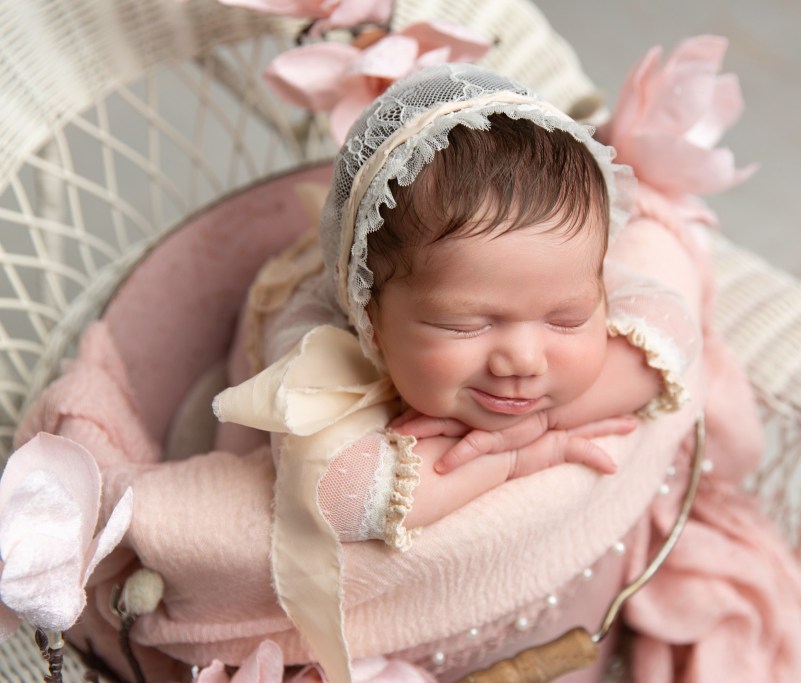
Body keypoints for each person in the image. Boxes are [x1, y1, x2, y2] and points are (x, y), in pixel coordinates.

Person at [211, 63, 701, 681]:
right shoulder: (315, 340)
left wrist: (535, 425)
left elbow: (673, 330)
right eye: (467, 327)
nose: (522, 361)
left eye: (567, 320)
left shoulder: (548, 261)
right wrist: (516, 462)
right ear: (371, 316)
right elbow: (336, 494)